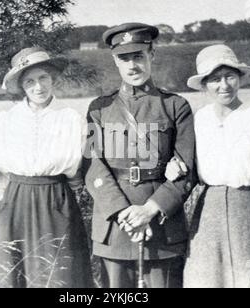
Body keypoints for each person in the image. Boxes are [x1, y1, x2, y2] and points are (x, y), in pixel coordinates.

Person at [165, 44, 250, 288]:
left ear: (239, 79)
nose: (224, 85)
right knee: (204, 281)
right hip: (207, 219)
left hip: (249, 219)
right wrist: (173, 165)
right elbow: (183, 161)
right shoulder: (199, 120)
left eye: (230, 77)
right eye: (215, 79)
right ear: (204, 85)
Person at [84, 23, 198, 288]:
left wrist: (149, 210)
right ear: (115, 61)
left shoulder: (175, 106)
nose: (132, 65)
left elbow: (187, 169)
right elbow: (92, 167)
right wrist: (124, 214)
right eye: (124, 58)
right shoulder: (98, 109)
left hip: (161, 226)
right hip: (115, 227)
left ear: (152, 55)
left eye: (138, 56)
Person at [0, 47, 93, 288]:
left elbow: (77, 175)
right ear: (22, 86)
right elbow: (1, 172)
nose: (38, 87)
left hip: (57, 201)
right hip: (15, 203)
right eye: (30, 81)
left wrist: (65, 195)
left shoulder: (71, 118)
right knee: (16, 273)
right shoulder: (6, 120)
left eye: (43, 78)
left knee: (59, 274)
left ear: (53, 78)